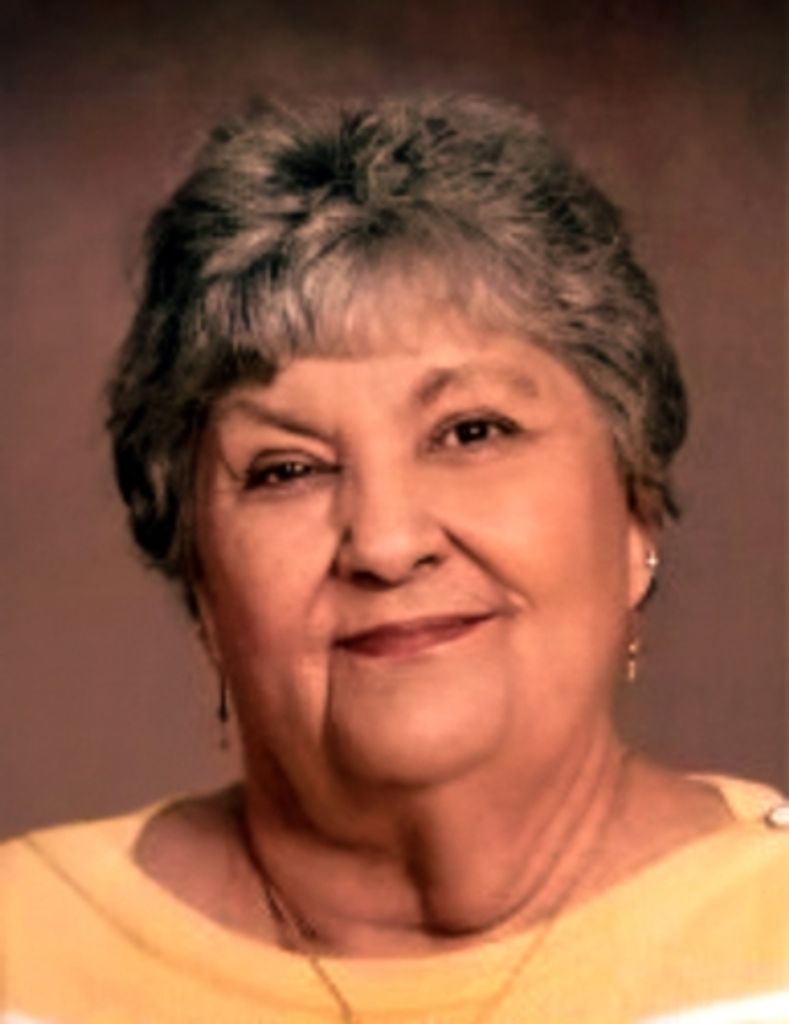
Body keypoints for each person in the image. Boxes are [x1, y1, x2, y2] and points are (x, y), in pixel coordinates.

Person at [2, 93, 787, 1024]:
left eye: (470, 431)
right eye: (287, 469)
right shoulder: (25, 948)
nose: (383, 543)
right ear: (200, 582)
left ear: (634, 507)